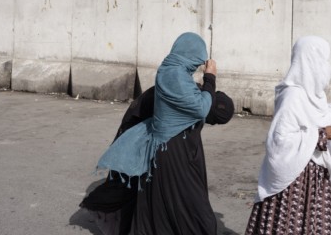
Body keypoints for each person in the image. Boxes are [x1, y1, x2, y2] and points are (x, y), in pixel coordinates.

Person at [80, 32, 234, 235]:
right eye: (199, 59)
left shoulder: (176, 73)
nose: (199, 64)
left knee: (167, 207)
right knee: (194, 210)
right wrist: (210, 78)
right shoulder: (173, 75)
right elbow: (200, 109)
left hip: (175, 150)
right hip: (172, 152)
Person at [245, 35, 331, 235]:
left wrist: (330, 109)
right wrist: (322, 135)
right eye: (323, 60)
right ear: (311, 61)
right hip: (294, 181)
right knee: (288, 224)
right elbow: (279, 140)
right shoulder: (292, 95)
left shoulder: (312, 94)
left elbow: (308, 117)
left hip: (314, 177)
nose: (327, 67)